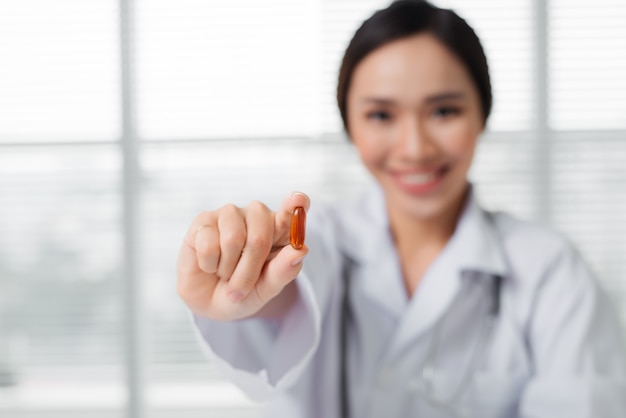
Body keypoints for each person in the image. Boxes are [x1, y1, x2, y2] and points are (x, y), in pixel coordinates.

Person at [176, 1, 626, 417]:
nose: (414, 148)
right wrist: (244, 282)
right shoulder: (323, 240)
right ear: (348, 123)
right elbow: (290, 292)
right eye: (381, 116)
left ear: (482, 114)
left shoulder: (549, 270)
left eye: (444, 111)